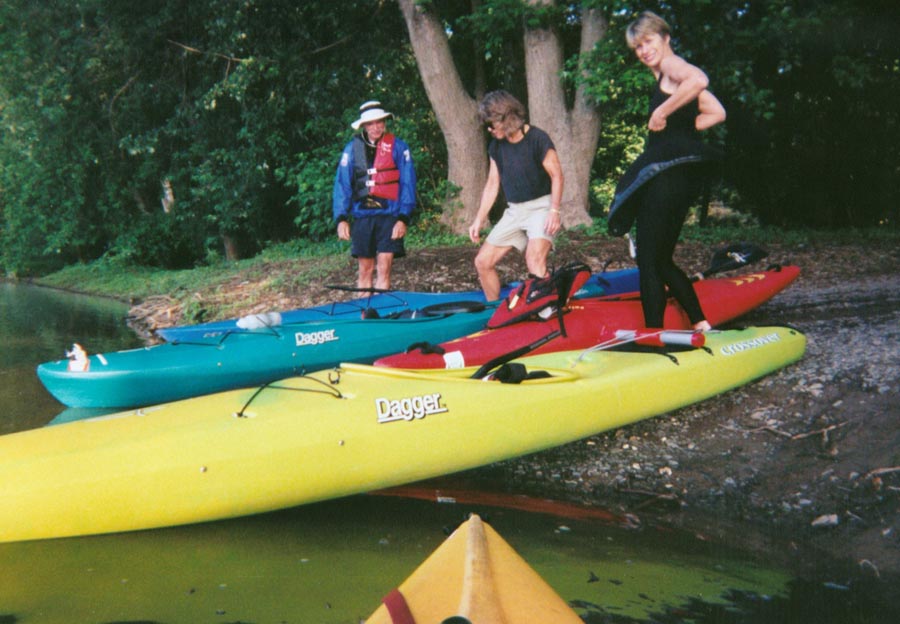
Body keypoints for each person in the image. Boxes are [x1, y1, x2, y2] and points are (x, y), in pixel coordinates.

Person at [607, 11, 726, 332]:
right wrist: (683, 131)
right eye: (637, 47)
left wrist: (662, 110)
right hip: (678, 177)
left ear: (665, 38)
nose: (644, 50)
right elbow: (717, 112)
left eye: (648, 41)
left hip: (668, 178)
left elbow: (699, 79)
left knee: (648, 260)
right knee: (660, 259)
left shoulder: (673, 67)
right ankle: (701, 323)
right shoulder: (665, 76)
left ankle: (653, 333)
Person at [468, 90, 563, 301]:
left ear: (506, 117)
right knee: (482, 262)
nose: (490, 129)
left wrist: (554, 211)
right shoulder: (496, 146)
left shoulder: (537, 138)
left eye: (492, 124)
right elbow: (493, 184)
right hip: (515, 210)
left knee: (534, 259)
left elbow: (557, 176)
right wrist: (478, 220)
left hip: (542, 207)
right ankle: (495, 314)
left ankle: (548, 309)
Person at [333, 100, 417, 290]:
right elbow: (342, 184)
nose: (376, 127)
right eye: (371, 123)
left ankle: (382, 314)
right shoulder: (352, 149)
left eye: (380, 122)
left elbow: (408, 183)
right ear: (364, 125)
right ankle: (365, 314)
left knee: (384, 266)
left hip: (390, 215)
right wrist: (341, 218)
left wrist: (403, 218)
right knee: (365, 269)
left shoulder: (399, 147)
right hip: (363, 216)